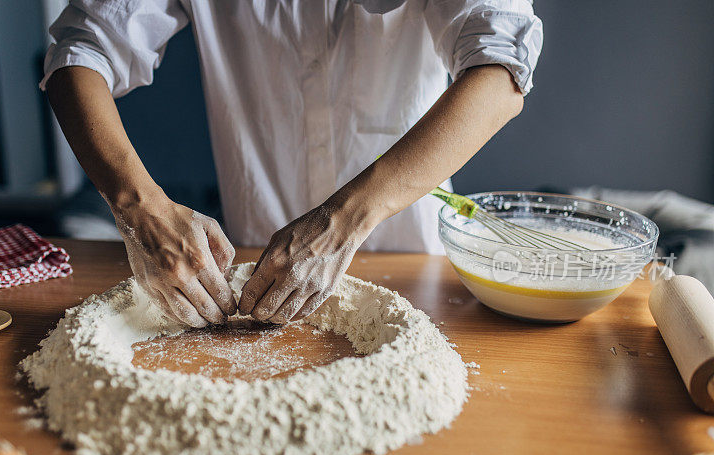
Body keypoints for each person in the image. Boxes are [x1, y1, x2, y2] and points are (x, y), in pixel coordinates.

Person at [42, 0, 543, 327]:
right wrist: (139, 205)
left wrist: (344, 219)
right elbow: (80, 54)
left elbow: (499, 76)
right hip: (256, 261)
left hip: (412, 262)